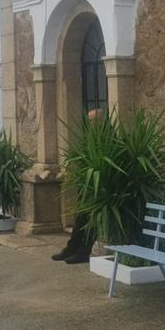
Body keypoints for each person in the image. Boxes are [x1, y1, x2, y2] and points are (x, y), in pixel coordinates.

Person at [51, 109, 103, 265]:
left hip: (99, 186)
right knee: (80, 219)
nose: (91, 123)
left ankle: (83, 252)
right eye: (89, 120)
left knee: (92, 221)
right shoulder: (90, 137)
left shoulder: (107, 136)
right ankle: (71, 248)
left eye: (93, 120)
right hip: (86, 184)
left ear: (100, 121)